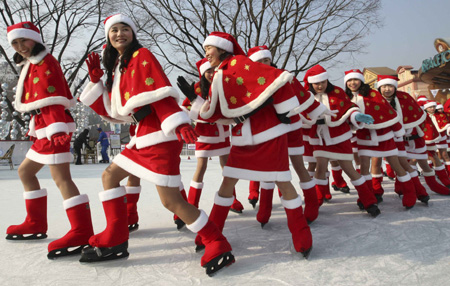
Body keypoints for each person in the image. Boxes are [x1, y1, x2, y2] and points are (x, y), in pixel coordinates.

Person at [79, 14, 234, 275]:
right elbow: (116, 110)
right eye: (114, 30)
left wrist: (179, 123)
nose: (119, 34)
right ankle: (116, 237)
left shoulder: (142, 56)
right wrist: (97, 81)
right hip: (143, 133)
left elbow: (159, 92)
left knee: (171, 201)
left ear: (133, 33)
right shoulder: (120, 64)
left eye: (125, 29)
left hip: (159, 135)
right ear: (108, 36)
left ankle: (216, 241)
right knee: (109, 176)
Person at [195, 32, 331, 258]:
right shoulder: (222, 71)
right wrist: (195, 102)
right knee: (228, 181)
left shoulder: (239, 63)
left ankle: (301, 232)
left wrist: (285, 109)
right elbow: (216, 109)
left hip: (268, 134)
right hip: (242, 137)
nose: (206, 53)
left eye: (209, 48)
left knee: (281, 180)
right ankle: (213, 230)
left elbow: (281, 77)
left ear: (222, 48)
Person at [5, 21, 94, 260]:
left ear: (35, 39)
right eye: (15, 43)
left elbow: (52, 97)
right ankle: (35, 222)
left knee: (62, 178)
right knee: (25, 172)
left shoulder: (45, 63)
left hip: (53, 128)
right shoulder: (32, 63)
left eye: (24, 40)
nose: (20, 46)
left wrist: (56, 131)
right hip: (43, 128)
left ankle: (82, 230)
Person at [244, 45, 325, 226]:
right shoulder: (250, 81)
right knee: (268, 169)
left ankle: (312, 204)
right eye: (259, 61)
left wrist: (318, 110)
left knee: (298, 165)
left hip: (291, 126)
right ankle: (265, 208)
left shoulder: (284, 76)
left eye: (266, 60)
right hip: (268, 130)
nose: (264, 64)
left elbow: (302, 95)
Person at [302, 65, 380, 217]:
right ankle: (315, 203)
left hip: (339, 136)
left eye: (323, 82)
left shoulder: (337, 92)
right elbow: (301, 114)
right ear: (311, 83)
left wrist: (355, 115)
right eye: (316, 83)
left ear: (327, 80)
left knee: (348, 169)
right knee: (320, 167)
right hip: (319, 137)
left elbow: (349, 107)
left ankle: (369, 200)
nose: (319, 86)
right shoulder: (307, 96)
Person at [178, 58, 244, 214]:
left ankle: (231, 199)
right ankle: (192, 203)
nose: (211, 73)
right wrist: (198, 110)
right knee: (201, 168)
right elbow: (186, 109)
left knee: (227, 167)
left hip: (222, 132)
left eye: (214, 70)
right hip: (204, 135)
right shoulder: (196, 89)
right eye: (208, 71)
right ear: (202, 73)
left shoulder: (222, 86)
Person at [344, 69, 417, 208]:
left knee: (397, 166)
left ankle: (410, 193)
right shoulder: (346, 97)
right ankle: (367, 196)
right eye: (349, 80)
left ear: (361, 80)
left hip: (384, 136)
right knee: (364, 168)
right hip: (364, 137)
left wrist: (397, 130)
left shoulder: (373, 94)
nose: (352, 83)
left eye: (355, 80)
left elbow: (387, 112)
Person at [375, 75, 449, 197]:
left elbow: (419, 116)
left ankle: (434, 185)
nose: (387, 89)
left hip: (413, 137)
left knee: (423, 163)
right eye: (383, 86)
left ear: (395, 86)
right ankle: (401, 188)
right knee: (398, 164)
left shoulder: (404, 97)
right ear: (379, 87)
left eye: (389, 86)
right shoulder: (376, 101)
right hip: (392, 139)